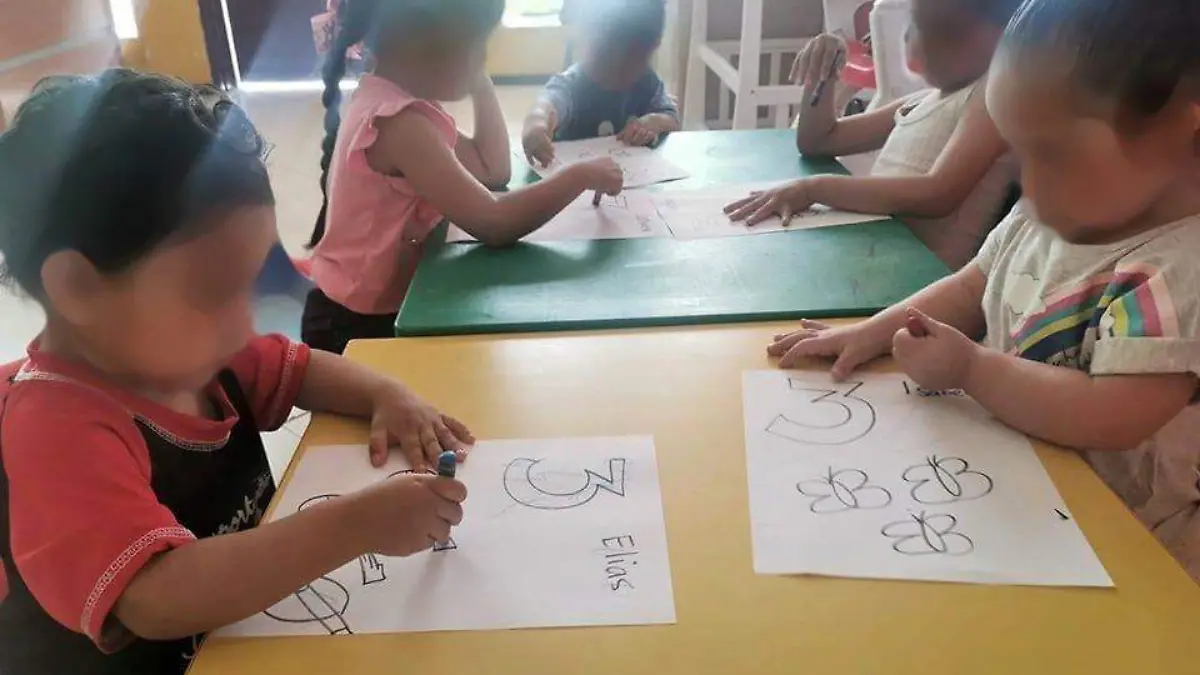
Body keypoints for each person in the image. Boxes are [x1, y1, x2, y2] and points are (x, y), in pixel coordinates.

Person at [0, 70, 473, 675]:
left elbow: (302, 370)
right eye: (213, 292)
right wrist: (355, 525)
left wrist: (387, 394)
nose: (242, 322)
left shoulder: (193, 350)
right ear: (79, 289)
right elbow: (156, 597)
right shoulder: (56, 432)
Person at [769, 0, 1200, 580]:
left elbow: (1111, 415)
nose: (1030, 187)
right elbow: (974, 283)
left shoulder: (1175, 272)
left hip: (1127, 547)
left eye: (1054, 155)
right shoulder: (1049, 212)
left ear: (1179, 131)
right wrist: (874, 332)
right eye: (1021, 156)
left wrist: (972, 368)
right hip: (1020, 497)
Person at [304, 0, 624, 355]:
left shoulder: (401, 102)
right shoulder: (399, 124)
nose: (484, 58)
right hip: (353, 327)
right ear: (423, 46)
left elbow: (493, 169)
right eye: (478, 44)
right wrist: (578, 176)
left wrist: (480, 83)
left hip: (371, 309)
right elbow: (495, 222)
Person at [725, 0, 1022, 270]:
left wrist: (813, 189)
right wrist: (823, 70)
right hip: (880, 249)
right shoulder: (923, 100)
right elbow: (819, 140)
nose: (910, 36)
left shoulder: (991, 96)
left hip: (919, 275)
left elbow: (938, 194)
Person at [522, 0, 680, 167]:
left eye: (628, 64)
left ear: (650, 51)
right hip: (576, 178)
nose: (614, 73)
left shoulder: (648, 82)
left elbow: (671, 116)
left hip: (637, 175)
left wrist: (653, 122)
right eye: (604, 60)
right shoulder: (572, 86)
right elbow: (547, 104)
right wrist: (536, 121)